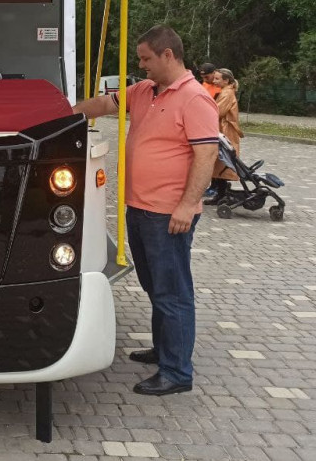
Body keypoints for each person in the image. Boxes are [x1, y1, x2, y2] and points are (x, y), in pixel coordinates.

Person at [73, 25, 218, 396]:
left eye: (145, 58)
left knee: (173, 291)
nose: (141, 65)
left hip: (168, 214)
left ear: (168, 54)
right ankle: (164, 349)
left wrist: (186, 205)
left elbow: (206, 156)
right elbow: (105, 105)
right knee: (154, 286)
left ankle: (177, 372)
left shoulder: (195, 98)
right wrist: (67, 113)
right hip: (139, 208)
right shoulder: (143, 91)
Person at [207, 68, 243, 203]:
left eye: (217, 78)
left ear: (226, 80)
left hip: (225, 131)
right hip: (223, 130)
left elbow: (217, 111)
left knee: (223, 162)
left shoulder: (227, 93)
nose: (214, 81)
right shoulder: (226, 91)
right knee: (221, 162)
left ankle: (221, 194)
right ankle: (220, 193)